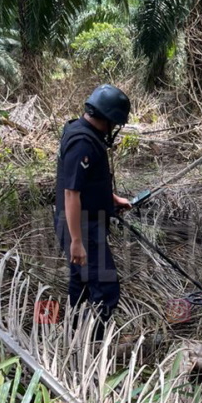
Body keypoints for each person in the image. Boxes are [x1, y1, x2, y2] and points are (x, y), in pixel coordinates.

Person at [54, 84, 132, 335]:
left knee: (82, 283)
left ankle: (72, 334)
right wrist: (77, 241)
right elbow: (71, 192)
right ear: (109, 119)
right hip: (82, 229)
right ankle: (94, 347)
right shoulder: (83, 143)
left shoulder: (80, 131)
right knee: (106, 289)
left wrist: (111, 198)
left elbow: (86, 182)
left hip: (85, 223)